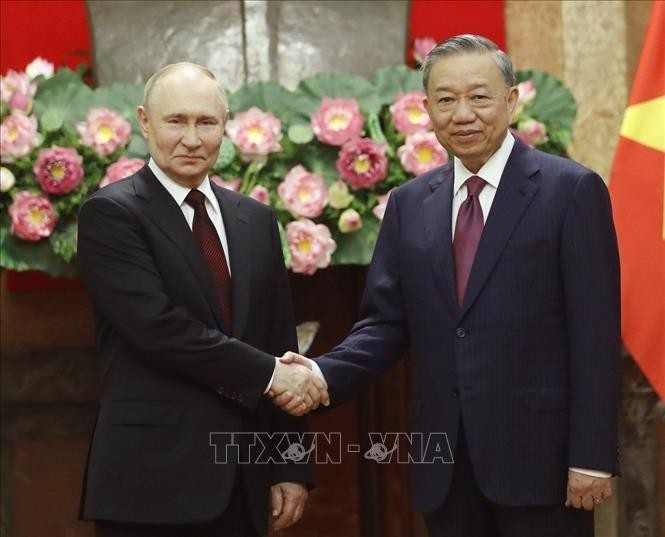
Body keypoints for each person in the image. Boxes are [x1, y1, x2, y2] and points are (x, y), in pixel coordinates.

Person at [274, 35, 620, 537]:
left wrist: (591, 455)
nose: (463, 113)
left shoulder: (571, 191)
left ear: (511, 100)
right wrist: (321, 375)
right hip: (446, 466)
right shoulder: (410, 203)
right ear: (426, 110)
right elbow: (385, 324)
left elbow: (595, 332)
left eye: (479, 96)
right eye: (446, 99)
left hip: (542, 462)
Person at [77, 62, 328, 537]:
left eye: (206, 122)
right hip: (151, 483)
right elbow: (159, 329)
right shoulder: (111, 214)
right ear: (145, 121)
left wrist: (291, 465)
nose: (192, 138)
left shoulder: (255, 220)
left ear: (225, 125)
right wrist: (274, 375)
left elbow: (280, 340)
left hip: (245, 479)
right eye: (176, 121)